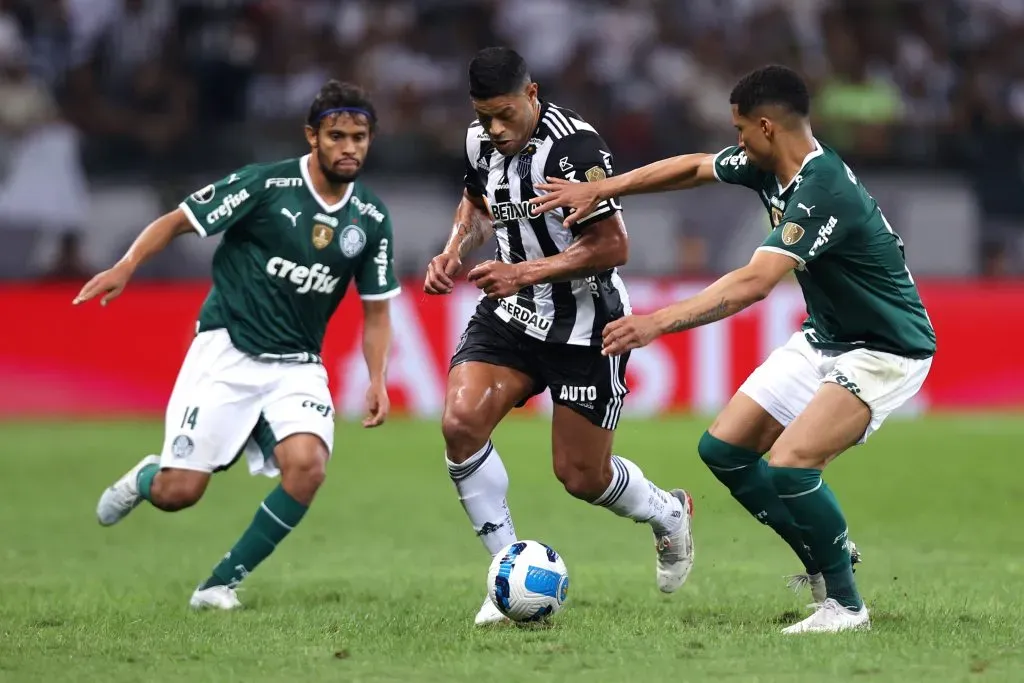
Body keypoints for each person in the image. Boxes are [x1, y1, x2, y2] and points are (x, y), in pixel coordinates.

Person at [531, 65, 935, 634]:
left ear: (768, 127)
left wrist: (659, 322)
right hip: (827, 336)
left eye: (742, 130)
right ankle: (826, 560)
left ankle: (845, 607)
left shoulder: (823, 190)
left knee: (793, 463)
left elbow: (755, 282)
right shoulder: (770, 165)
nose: (737, 142)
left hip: (887, 349)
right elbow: (694, 167)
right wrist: (604, 187)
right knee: (723, 450)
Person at [74, 80, 400, 610]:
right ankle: (147, 477)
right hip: (229, 352)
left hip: (297, 366)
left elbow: (377, 311)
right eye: (337, 136)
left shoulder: (371, 218)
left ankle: (219, 584)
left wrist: (378, 378)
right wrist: (126, 266)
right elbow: (178, 221)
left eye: (359, 137)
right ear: (311, 137)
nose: (349, 148)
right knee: (180, 493)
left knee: (308, 466)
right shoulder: (265, 186)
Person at [423, 47, 694, 627]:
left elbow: (613, 246)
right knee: (459, 423)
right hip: (512, 315)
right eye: (482, 116)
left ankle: (669, 511)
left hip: (585, 324)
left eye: (502, 114)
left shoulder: (575, 147)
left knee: (581, 477)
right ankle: (505, 573)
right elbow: (475, 203)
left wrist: (521, 271)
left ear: (531, 94)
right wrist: (451, 252)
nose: (494, 129)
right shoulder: (480, 141)